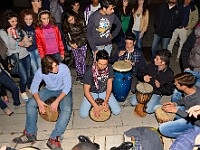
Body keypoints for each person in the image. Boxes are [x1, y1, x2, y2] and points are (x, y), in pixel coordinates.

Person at [13, 55, 72, 150]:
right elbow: (34, 87)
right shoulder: (40, 71)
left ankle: (54, 138)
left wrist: (57, 101)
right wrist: (39, 102)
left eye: (56, 65)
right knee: (30, 104)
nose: (57, 68)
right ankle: (30, 133)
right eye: (54, 67)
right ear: (47, 69)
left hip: (63, 90)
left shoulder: (64, 68)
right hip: (49, 90)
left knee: (66, 110)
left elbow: (67, 86)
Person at [130, 49, 174, 114]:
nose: (154, 60)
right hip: (146, 90)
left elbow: (170, 90)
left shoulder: (169, 74)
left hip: (156, 92)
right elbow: (139, 73)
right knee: (133, 102)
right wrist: (144, 76)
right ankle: (148, 102)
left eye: (157, 59)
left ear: (163, 62)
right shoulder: (151, 66)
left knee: (149, 110)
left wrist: (160, 87)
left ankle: (158, 105)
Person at [0, 10, 31, 101]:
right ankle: (22, 91)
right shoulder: (3, 32)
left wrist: (25, 42)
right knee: (23, 77)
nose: (15, 23)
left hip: (25, 54)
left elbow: (26, 39)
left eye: (16, 21)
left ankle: (29, 87)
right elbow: (11, 47)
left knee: (28, 74)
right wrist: (10, 35)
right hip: (16, 57)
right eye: (12, 21)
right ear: (7, 21)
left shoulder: (18, 28)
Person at [80, 50, 121, 118]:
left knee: (117, 111)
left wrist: (106, 101)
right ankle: (93, 102)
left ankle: (102, 102)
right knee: (83, 115)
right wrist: (95, 105)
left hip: (104, 91)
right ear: (96, 62)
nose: (102, 66)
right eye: (100, 64)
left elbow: (109, 85)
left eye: (105, 64)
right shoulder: (89, 71)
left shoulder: (109, 67)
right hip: (92, 92)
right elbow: (86, 91)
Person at [159, 72, 200, 138]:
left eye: (176, 83)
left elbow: (196, 121)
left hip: (194, 122)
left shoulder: (198, 100)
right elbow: (185, 100)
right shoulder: (191, 88)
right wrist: (175, 103)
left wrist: (176, 110)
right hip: (187, 111)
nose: (174, 84)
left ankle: (190, 136)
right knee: (159, 108)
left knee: (163, 129)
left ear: (183, 86)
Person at [171, 22, 200, 103]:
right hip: (192, 68)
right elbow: (186, 49)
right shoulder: (197, 31)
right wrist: (186, 66)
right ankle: (173, 108)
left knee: (195, 96)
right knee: (177, 92)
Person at [63, 9, 87, 83]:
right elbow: (66, 35)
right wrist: (70, 43)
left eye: (72, 19)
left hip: (82, 43)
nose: (71, 21)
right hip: (73, 44)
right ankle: (79, 75)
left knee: (82, 59)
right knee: (77, 60)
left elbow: (85, 34)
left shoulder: (81, 21)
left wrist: (79, 44)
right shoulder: (66, 25)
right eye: (69, 20)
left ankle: (84, 75)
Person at [20, 9, 41, 75]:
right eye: (26, 19)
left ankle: (42, 79)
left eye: (30, 19)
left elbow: (39, 39)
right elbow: (19, 39)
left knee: (40, 66)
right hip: (28, 51)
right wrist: (22, 43)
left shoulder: (35, 27)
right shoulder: (21, 28)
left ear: (33, 19)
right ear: (23, 19)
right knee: (34, 67)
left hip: (36, 49)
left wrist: (32, 42)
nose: (28, 21)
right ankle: (37, 82)